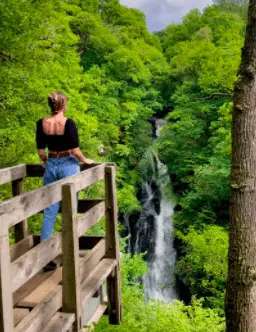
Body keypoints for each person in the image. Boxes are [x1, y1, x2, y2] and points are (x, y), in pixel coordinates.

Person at [36, 92, 95, 246]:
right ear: (63, 105)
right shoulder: (69, 123)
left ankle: (45, 252)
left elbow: (41, 152)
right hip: (68, 164)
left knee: (49, 210)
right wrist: (85, 160)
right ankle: (70, 246)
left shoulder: (41, 123)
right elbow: (75, 150)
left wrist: (46, 162)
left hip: (51, 165)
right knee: (70, 209)